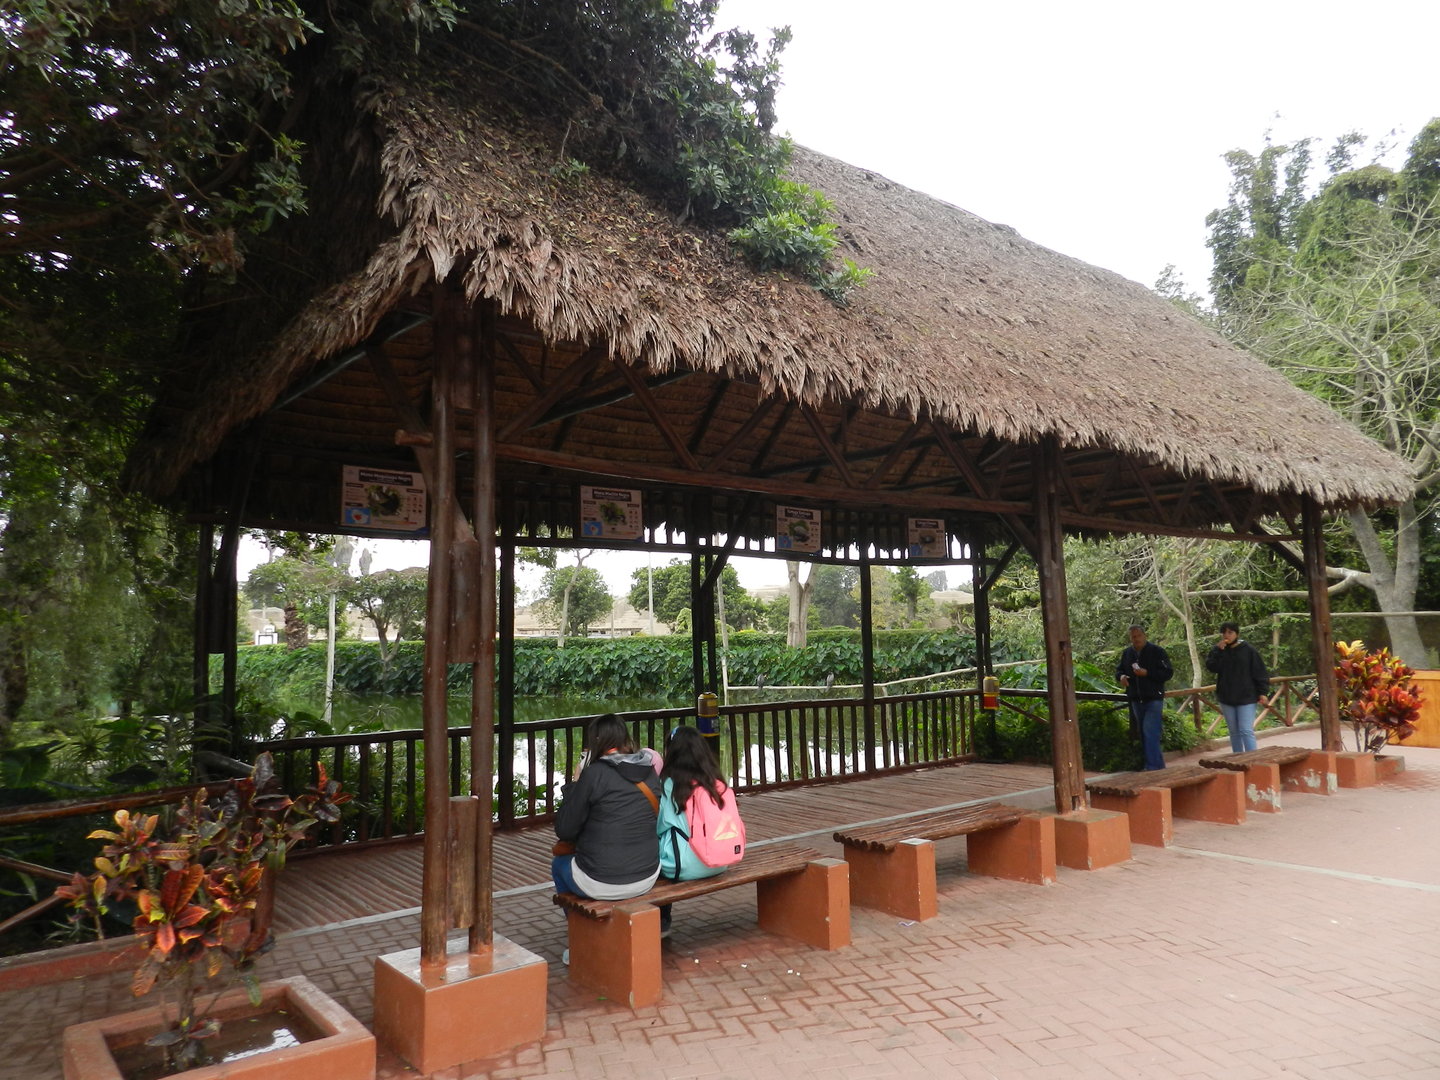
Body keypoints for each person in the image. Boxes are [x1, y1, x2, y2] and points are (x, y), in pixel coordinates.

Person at [552, 714, 662, 901]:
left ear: (596, 741)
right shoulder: (650, 772)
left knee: (559, 864)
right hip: (648, 875)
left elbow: (565, 830)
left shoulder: (594, 774)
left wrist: (575, 784)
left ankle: (579, 927)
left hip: (601, 880)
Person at [654, 725, 735, 937]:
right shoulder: (716, 783)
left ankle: (662, 920)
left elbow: (662, 825)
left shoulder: (671, 784)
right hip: (719, 862)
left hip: (684, 867)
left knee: (650, 850)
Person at [1205, 621, 1271, 753]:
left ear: (1237, 633)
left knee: (1246, 730)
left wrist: (1262, 692)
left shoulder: (1249, 650)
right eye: (1224, 632)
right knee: (1234, 732)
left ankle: (1253, 760)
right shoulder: (1219, 650)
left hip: (1247, 696)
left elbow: (1259, 672)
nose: (1227, 635)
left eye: (1230, 632)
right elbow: (1212, 667)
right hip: (1226, 696)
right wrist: (1218, 650)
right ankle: (1238, 759)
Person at [1116, 623, 1174, 770]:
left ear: (1145, 635)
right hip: (1136, 698)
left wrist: (1147, 673)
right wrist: (1121, 676)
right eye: (1133, 637)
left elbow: (1167, 673)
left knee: (1150, 731)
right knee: (1143, 733)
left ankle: (1152, 767)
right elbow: (1119, 670)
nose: (1136, 639)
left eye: (1138, 636)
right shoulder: (1127, 654)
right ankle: (1157, 765)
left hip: (1153, 697)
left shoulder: (1157, 652)